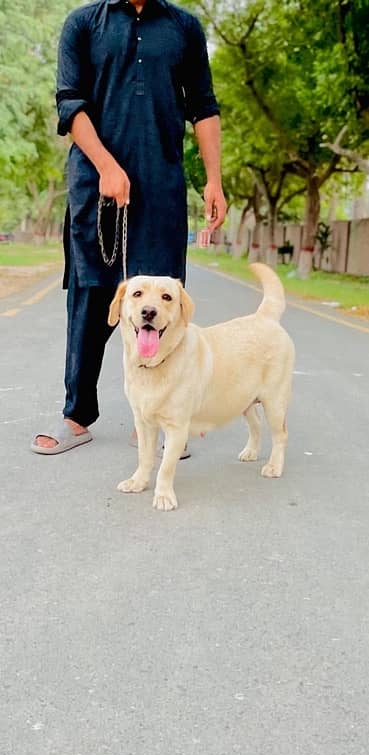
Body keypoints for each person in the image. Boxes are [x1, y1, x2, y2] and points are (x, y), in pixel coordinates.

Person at [31, 0, 226, 455]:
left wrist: (214, 179)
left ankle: (157, 419)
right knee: (92, 294)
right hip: (96, 186)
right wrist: (105, 165)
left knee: (160, 304)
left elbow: (203, 106)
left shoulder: (184, 27)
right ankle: (76, 416)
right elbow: (70, 103)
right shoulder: (83, 23)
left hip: (161, 188)